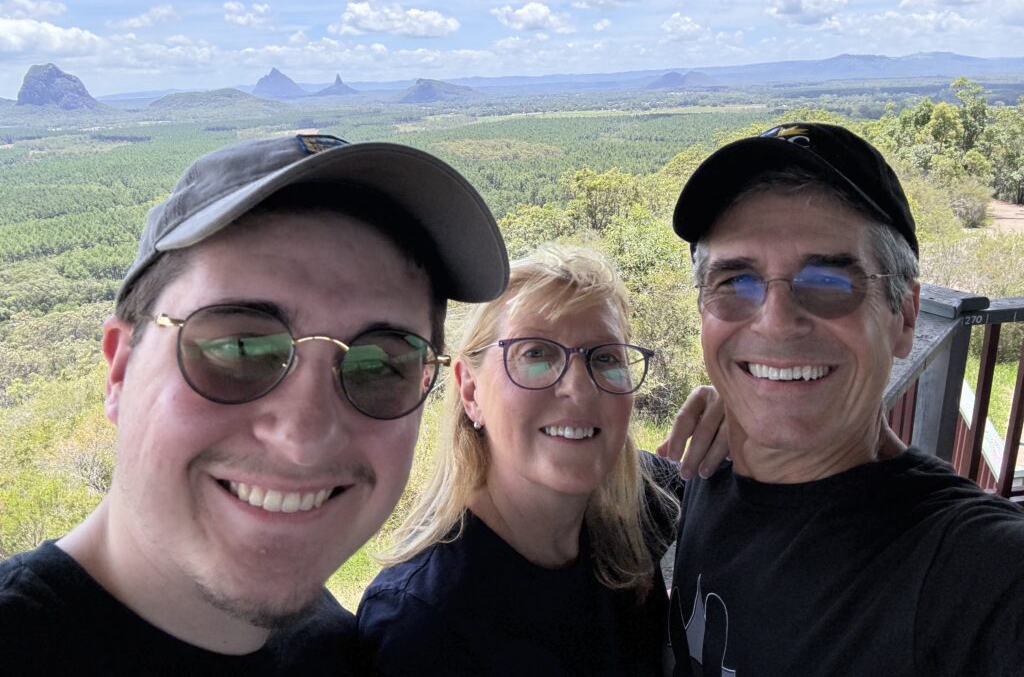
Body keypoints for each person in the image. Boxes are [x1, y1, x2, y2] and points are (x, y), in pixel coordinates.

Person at [0, 133, 510, 675]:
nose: (303, 437)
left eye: (379, 365)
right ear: (120, 370)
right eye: (238, 349)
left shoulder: (336, 648)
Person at [667, 122, 1024, 676]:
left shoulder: (976, 570)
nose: (777, 322)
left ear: (903, 316)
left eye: (830, 283)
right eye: (736, 283)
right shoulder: (706, 471)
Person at [357, 245, 726, 676]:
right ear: (471, 392)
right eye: (536, 354)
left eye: (605, 357)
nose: (579, 388)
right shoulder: (421, 624)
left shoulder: (635, 502)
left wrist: (741, 414)